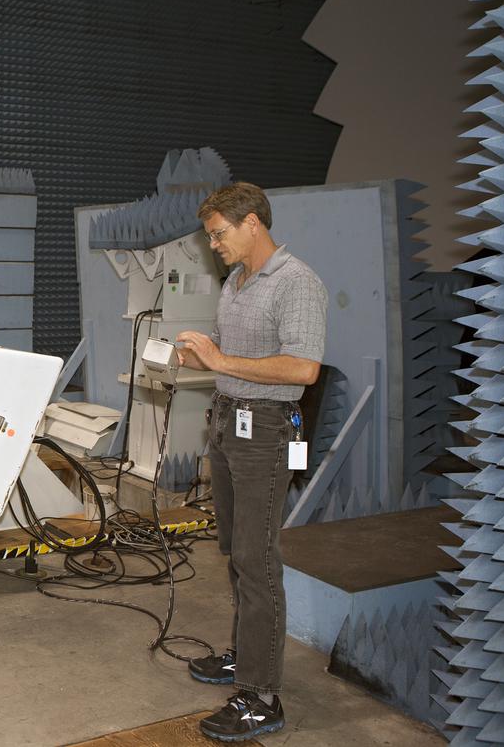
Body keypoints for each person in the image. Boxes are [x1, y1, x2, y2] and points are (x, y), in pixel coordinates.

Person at [175, 182, 327, 742]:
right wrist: (203, 356)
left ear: (252, 224)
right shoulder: (237, 283)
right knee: (236, 553)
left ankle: (264, 699)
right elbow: (234, 355)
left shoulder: (297, 283)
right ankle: (246, 656)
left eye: (219, 234)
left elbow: (304, 369)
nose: (213, 244)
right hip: (228, 422)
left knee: (259, 562)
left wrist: (221, 359)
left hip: (266, 431)